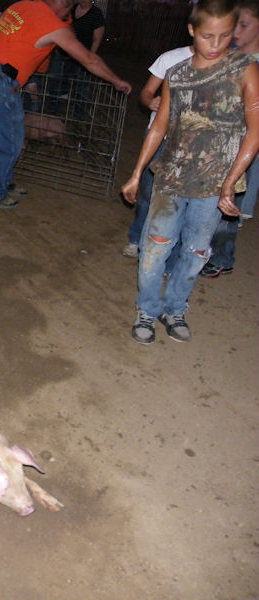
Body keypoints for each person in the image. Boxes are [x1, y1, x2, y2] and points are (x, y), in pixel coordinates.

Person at [122, 0, 259, 344]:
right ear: (192, 30)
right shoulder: (178, 74)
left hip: (215, 183)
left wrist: (230, 182)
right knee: (156, 248)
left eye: (225, 36)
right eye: (207, 36)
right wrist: (137, 172)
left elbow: (255, 129)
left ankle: (175, 308)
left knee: (196, 252)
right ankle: (147, 309)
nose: (216, 44)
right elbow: (159, 125)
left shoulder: (245, 69)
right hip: (171, 176)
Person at [0, 0, 131, 209]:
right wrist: (116, 81)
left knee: (4, 134)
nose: (68, 18)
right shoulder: (54, 25)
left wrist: (9, 49)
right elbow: (89, 59)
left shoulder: (23, 5)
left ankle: (4, 183)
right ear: (64, 7)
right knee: (8, 139)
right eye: (68, 14)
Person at [201, 0, 259, 277]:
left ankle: (222, 256)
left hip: (245, 144)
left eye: (243, 25)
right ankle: (205, 250)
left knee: (230, 201)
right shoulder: (227, 56)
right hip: (218, 141)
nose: (235, 31)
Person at [121, 44, 193, 259]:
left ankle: (171, 252)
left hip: (192, 145)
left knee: (181, 200)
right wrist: (150, 101)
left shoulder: (226, 65)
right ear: (192, 30)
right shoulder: (170, 58)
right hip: (159, 137)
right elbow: (146, 93)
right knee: (147, 192)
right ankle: (137, 238)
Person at [45, 0, 105, 118]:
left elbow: (96, 39)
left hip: (82, 55)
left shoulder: (96, 14)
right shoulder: (71, 9)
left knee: (81, 84)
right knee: (55, 78)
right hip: (64, 52)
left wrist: (90, 57)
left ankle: (78, 114)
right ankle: (53, 109)